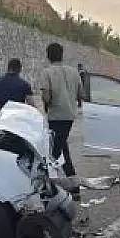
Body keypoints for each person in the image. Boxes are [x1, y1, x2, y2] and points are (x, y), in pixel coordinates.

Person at [36, 42, 83, 178]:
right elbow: (81, 94)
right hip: (69, 115)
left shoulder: (47, 72)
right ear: (62, 55)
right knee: (62, 146)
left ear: (48, 56)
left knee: (55, 150)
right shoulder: (74, 72)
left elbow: (46, 94)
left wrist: (47, 104)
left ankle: (52, 178)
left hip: (55, 115)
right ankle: (71, 179)